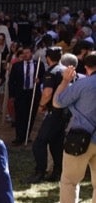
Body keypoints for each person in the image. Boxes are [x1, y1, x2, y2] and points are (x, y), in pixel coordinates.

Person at [53, 51, 96, 203]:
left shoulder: (83, 84)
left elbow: (57, 102)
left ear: (86, 67)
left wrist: (65, 80)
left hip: (80, 138)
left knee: (69, 180)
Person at [29, 46, 68, 183]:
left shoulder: (50, 72)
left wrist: (41, 105)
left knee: (39, 143)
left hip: (54, 112)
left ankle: (40, 172)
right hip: (65, 113)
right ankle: (57, 172)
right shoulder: (65, 71)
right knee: (56, 143)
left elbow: (47, 93)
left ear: (47, 58)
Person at [7, 44, 41, 145]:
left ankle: (27, 135)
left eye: (27, 52)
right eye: (23, 53)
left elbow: (43, 77)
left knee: (30, 114)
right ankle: (19, 136)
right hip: (20, 93)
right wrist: (12, 95)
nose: (25, 55)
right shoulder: (17, 66)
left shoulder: (38, 65)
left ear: (32, 53)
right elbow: (11, 81)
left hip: (32, 93)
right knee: (20, 115)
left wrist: (39, 80)